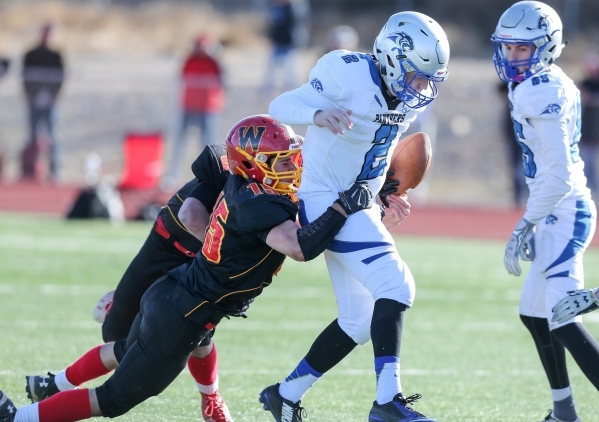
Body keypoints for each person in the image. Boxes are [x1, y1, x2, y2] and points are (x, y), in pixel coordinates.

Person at [0, 114, 374, 422]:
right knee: (111, 400)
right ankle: (16, 418)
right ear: (251, 164)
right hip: (182, 310)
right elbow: (299, 247)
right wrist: (343, 208)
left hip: (176, 293)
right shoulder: (258, 205)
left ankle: (52, 386)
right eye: (280, 161)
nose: (292, 167)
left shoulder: (247, 188)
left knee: (128, 347)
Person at [260, 11, 449, 422]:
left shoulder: (404, 100)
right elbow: (279, 105)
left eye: (429, 79)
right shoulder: (346, 73)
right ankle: (388, 401)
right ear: (394, 59)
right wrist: (315, 115)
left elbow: (374, 152)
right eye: (417, 76)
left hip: (358, 200)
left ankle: (285, 393)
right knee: (397, 285)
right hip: (325, 197)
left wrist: (384, 194)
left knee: (360, 320)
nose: (422, 88)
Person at [26, 144, 234, 422]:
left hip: (197, 264)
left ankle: (211, 398)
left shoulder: (269, 192)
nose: (288, 171)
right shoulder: (227, 170)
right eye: (278, 162)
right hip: (169, 246)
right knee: (119, 338)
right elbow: (190, 215)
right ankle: (55, 385)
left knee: (196, 332)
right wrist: (225, 254)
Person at [492, 2, 599, 422]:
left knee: (560, 313)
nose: (513, 56)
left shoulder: (543, 90)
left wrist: (526, 223)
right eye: (509, 48)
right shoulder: (545, 82)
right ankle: (564, 412)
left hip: (564, 210)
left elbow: (555, 176)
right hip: (556, 209)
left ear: (547, 46)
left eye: (523, 49)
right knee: (535, 315)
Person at [164, 34, 225, 188]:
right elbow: (181, 79)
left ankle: (212, 175)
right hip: (188, 106)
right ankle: (173, 174)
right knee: (179, 142)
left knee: (209, 143)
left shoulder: (214, 63)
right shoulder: (190, 60)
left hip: (208, 108)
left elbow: (222, 82)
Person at [21, 23, 65, 182]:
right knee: (33, 136)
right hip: (34, 102)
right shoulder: (31, 54)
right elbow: (25, 78)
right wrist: (31, 96)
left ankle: (54, 171)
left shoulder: (56, 55)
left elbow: (61, 78)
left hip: (50, 103)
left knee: (52, 137)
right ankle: (30, 170)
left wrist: (52, 96)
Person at [260, 0, 310, 96]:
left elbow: (297, 23)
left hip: (290, 44)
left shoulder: (295, 8)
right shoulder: (275, 8)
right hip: (277, 43)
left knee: (291, 71)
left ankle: (293, 93)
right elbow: (272, 25)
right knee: (271, 70)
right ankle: (266, 92)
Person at [498, 82, 528, 207]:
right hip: (513, 133)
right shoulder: (511, 83)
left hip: (529, 134)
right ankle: (518, 197)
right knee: (515, 167)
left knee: (528, 167)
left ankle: (528, 196)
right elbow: (500, 89)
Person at [578, 52, 599, 198]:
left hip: (595, 130)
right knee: (586, 165)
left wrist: (590, 98)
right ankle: (593, 193)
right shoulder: (585, 83)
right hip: (587, 132)